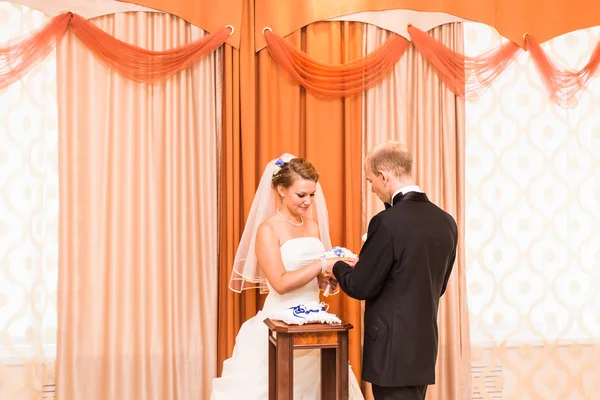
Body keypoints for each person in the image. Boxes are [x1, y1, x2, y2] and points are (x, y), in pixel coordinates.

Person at [211, 154, 364, 399]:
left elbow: (311, 275)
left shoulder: (312, 226)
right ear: (281, 190)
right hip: (280, 325)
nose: (308, 202)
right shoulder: (268, 229)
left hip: (315, 326)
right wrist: (322, 263)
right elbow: (280, 283)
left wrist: (326, 281)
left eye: (312, 194)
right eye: (301, 195)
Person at [327, 141, 457, 400]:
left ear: (384, 176)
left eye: (370, 180)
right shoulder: (446, 221)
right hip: (423, 349)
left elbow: (360, 287)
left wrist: (336, 265)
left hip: (390, 352)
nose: (372, 188)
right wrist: (367, 267)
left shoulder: (386, 222)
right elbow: (435, 285)